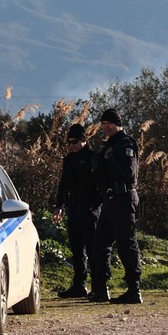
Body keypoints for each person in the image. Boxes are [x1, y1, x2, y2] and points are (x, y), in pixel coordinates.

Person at [90, 108, 143, 304]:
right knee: (100, 245)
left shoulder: (125, 143)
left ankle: (133, 290)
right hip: (109, 201)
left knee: (126, 244)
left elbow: (129, 172)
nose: (106, 127)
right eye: (103, 124)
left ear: (118, 123)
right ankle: (101, 289)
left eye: (109, 123)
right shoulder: (107, 146)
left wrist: (111, 158)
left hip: (124, 198)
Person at [50, 122, 100, 298]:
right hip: (74, 208)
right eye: (69, 142)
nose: (71, 145)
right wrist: (59, 206)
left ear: (83, 140)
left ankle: (97, 286)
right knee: (77, 249)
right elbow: (63, 184)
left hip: (90, 209)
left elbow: (100, 184)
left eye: (74, 142)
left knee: (92, 248)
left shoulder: (94, 157)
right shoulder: (69, 159)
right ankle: (79, 285)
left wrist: (95, 204)